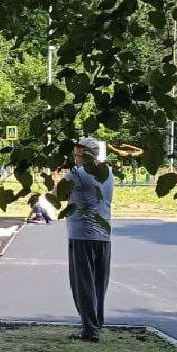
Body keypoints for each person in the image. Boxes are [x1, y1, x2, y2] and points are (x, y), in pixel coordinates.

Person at [66, 136, 114, 341]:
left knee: (82, 283)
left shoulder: (77, 174)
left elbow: (56, 193)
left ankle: (90, 330)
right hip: (103, 235)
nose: (74, 157)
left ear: (83, 155)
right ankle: (97, 324)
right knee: (98, 283)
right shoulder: (107, 172)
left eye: (77, 153)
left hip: (81, 235)